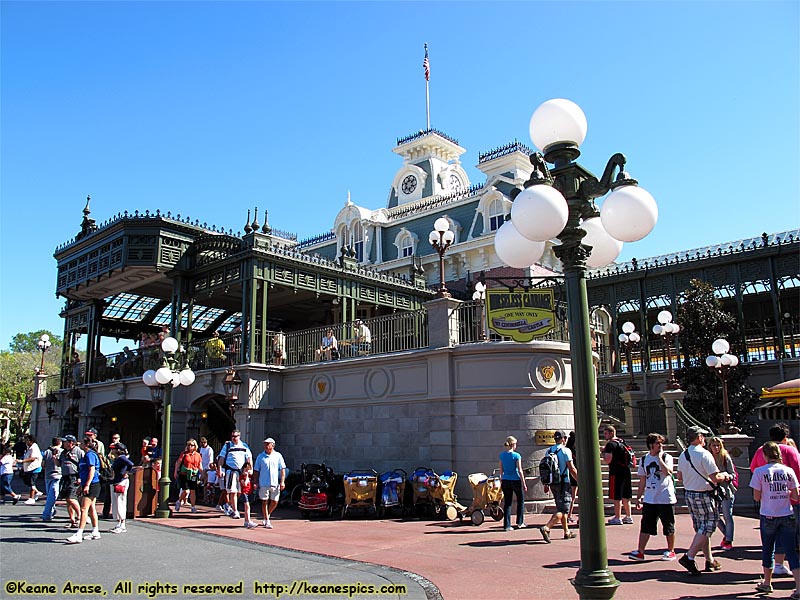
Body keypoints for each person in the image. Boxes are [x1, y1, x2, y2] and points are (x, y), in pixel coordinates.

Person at [676, 425, 733, 575]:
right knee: (708, 525)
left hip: (689, 494)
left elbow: (679, 477)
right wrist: (726, 476)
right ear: (699, 437)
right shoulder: (704, 454)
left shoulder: (684, 455)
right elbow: (715, 477)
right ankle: (689, 556)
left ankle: (709, 560)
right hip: (704, 494)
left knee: (701, 528)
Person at [750, 441, 800, 597]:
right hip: (786, 513)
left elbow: (756, 497)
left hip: (768, 514)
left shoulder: (760, 472)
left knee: (768, 549)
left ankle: (767, 582)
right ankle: (799, 587)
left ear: (765, 455)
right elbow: (796, 496)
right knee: (791, 551)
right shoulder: (788, 471)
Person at [629, 433, 677, 561]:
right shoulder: (644, 460)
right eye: (657, 443)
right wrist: (639, 497)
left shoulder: (667, 457)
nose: (660, 445)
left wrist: (660, 458)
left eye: (661, 443)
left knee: (668, 525)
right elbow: (642, 480)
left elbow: (667, 472)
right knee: (645, 525)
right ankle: (640, 551)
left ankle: (670, 550)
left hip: (665, 497)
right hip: (650, 498)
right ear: (651, 445)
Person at [539, 430, 578, 542]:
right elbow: (572, 468)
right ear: (563, 439)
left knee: (560, 507)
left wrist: (546, 484)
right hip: (563, 482)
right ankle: (547, 527)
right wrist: (579, 480)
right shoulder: (566, 451)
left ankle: (567, 531)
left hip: (553, 483)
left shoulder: (549, 451)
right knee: (563, 510)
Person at [66, 437, 102, 543]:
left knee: (83, 509)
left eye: (81, 443)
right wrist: (82, 485)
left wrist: (87, 485)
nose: (79, 444)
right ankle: (95, 531)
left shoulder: (90, 455)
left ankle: (79, 533)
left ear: (86, 445)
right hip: (88, 483)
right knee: (91, 508)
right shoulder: (86, 455)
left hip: (93, 484)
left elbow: (92, 470)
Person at [707, 436, 737, 550]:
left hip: (725, 491)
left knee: (727, 515)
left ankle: (728, 540)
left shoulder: (725, 457)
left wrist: (726, 476)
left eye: (718, 445)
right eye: (714, 445)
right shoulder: (707, 458)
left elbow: (732, 474)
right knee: (714, 516)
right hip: (712, 491)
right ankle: (726, 534)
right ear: (710, 447)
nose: (716, 447)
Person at [216, 430, 252, 519]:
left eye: (235, 436)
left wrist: (249, 469)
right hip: (231, 471)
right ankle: (235, 511)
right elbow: (221, 458)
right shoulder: (227, 445)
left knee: (240, 491)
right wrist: (219, 469)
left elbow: (249, 458)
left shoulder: (244, 446)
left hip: (241, 472)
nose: (234, 438)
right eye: (232, 436)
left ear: (239, 436)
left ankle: (228, 504)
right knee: (233, 491)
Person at [603, 425, 633, 525]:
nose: (605, 436)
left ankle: (617, 517)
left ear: (611, 433)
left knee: (617, 496)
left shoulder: (610, 444)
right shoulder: (622, 442)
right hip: (626, 470)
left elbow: (608, 460)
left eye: (606, 433)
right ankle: (628, 516)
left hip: (615, 472)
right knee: (626, 495)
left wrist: (603, 453)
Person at [254, 437, 286, 529]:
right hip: (263, 483)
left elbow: (282, 469)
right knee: (264, 501)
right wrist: (255, 482)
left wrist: (282, 481)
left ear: (273, 445)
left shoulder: (278, 456)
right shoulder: (260, 456)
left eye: (268, 444)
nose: (266, 446)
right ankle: (267, 520)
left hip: (275, 483)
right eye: (265, 444)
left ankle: (266, 515)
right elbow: (256, 470)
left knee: (275, 501)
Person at [498, 435, 528, 531]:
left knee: (507, 503)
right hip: (516, 480)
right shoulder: (516, 456)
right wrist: (524, 483)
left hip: (506, 480)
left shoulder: (502, 455)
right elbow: (520, 470)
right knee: (520, 500)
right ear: (513, 444)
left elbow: (501, 470)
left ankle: (507, 525)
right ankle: (520, 522)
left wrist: (502, 480)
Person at [58, 435, 83, 528]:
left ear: (71, 443)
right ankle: (72, 520)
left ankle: (80, 516)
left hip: (74, 477)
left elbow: (83, 464)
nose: (63, 443)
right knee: (67, 500)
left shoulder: (78, 451)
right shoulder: (63, 452)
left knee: (71, 498)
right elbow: (59, 463)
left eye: (65, 442)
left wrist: (80, 477)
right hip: (65, 477)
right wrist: (54, 457)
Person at [109, 442, 134, 533]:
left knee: (121, 502)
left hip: (121, 482)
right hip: (116, 481)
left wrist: (126, 472)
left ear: (118, 450)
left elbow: (130, 464)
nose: (112, 451)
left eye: (114, 449)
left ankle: (122, 524)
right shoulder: (118, 459)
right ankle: (119, 523)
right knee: (116, 502)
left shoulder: (122, 458)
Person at [174, 439, 202, 513]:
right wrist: (175, 472)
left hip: (193, 474)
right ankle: (179, 501)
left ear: (195, 446)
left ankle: (193, 506)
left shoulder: (198, 455)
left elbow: (199, 465)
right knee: (186, 491)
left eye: (192, 445)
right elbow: (178, 463)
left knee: (193, 491)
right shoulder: (184, 454)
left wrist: (203, 474)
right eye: (189, 445)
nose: (190, 447)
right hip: (184, 474)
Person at [41, 437, 63, 521]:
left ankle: (51, 511)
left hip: (48, 475)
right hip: (57, 475)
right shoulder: (61, 452)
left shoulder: (46, 452)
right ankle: (46, 514)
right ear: (60, 443)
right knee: (53, 495)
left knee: (50, 495)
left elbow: (43, 464)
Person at [17, 434, 43, 504]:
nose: (26, 441)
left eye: (27, 440)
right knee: (28, 482)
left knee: (32, 483)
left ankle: (31, 498)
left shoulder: (34, 447)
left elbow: (33, 458)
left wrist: (22, 461)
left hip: (34, 468)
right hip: (29, 468)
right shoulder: (30, 447)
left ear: (31, 441)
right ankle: (37, 492)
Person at [101, 433, 121, 520]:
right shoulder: (109, 455)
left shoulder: (121, 451)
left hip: (117, 476)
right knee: (107, 496)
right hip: (109, 474)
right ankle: (106, 513)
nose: (114, 439)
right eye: (113, 438)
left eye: (116, 438)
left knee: (117, 497)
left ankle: (118, 515)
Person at [565, 431, 578, 524]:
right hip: (575, 474)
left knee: (569, 496)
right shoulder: (576, 450)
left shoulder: (566, 450)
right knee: (572, 496)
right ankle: (569, 515)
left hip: (566, 474)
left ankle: (567, 515)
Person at [239, 462, 257, 529]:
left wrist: (254, 485)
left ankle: (246, 521)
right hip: (244, 492)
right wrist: (246, 476)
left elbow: (252, 483)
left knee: (248, 507)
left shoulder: (250, 477)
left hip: (249, 492)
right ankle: (248, 520)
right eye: (245, 469)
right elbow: (244, 484)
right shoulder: (242, 477)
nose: (247, 471)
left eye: (248, 469)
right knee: (247, 506)